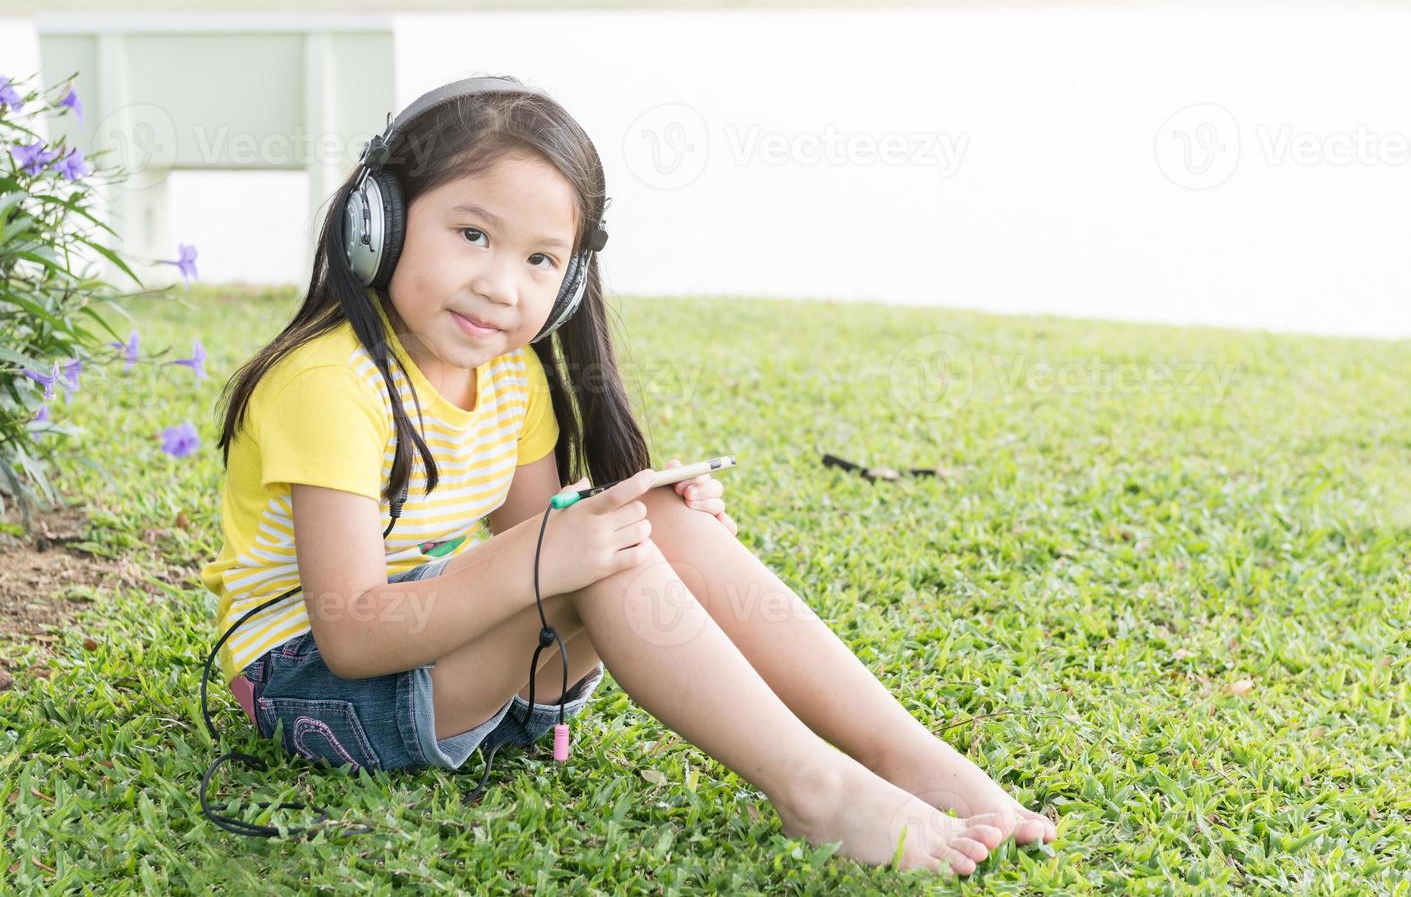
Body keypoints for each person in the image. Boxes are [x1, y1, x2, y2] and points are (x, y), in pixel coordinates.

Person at [200, 74, 1056, 875]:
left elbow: (537, 527)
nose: (501, 286)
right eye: (471, 235)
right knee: (595, 552)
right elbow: (351, 635)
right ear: (376, 221)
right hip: (317, 687)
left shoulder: (510, 372)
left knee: (640, 528)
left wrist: (636, 518)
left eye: (539, 260)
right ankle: (816, 791)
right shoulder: (326, 385)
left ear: (569, 281)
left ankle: (905, 756)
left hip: (458, 671)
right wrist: (574, 546)